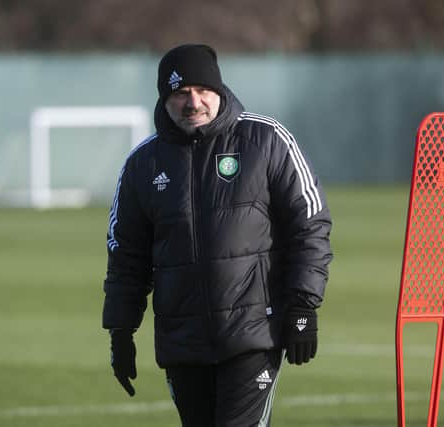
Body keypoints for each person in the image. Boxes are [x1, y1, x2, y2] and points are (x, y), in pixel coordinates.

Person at [102, 44, 333, 426]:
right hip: (182, 343)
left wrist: (304, 307)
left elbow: (310, 224)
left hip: (252, 337)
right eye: (180, 93)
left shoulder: (266, 140)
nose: (193, 102)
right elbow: (126, 255)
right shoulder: (143, 164)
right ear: (165, 99)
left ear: (219, 91)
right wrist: (121, 331)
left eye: (201, 90)